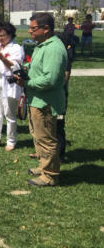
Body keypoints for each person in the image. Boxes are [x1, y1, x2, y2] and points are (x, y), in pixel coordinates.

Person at [15, 12, 67, 187]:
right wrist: (25, 69)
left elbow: (50, 79)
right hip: (36, 100)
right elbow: (37, 67)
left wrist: (27, 82)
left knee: (46, 139)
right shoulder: (42, 45)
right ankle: (43, 166)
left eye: (33, 28)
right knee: (38, 136)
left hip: (46, 102)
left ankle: (50, 175)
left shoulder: (54, 49)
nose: (29, 31)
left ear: (46, 29)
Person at [0, 22, 24, 151]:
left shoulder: (16, 48)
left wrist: (2, 58)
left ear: (10, 34)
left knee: (9, 113)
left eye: (2, 35)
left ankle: (11, 140)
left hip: (9, 83)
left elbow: (15, 67)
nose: (0, 38)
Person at [55, 31, 74, 163]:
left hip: (60, 96)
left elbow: (65, 78)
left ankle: (60, 155)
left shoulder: (65, 55)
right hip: (54, 95)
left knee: (58, 125)